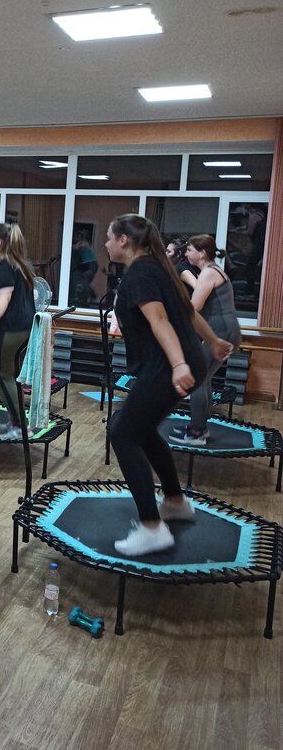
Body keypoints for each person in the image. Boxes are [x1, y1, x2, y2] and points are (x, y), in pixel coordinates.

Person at [105, 214, 234, 557]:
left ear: (123, 241)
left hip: (167, 366)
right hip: (182, 360)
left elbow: (160, 319)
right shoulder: (158, 267)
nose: (106, 244)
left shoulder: (140, 272)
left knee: (122, 434)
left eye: (109, 237)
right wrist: (213, 341)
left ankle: (152, 528)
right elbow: (188, 312)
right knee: (143, 430)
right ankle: (175, 502)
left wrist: (178, 365)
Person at [170, 235, 241, 447]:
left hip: (222, 331)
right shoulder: (212, 271)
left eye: (190, 250)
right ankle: (199, 426)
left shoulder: (209, 272)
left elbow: (195, 307)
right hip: (224, 330)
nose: (187, 254)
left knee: (197, 378)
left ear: (201, 253)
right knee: (205, 378)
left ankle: (197, 433)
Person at [0, 222, 36, 442]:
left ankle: (21, 427)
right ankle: (16, 421)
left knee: (1, 375)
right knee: (12, 376)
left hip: (10, 328)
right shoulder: (20, 265)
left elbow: (4, 298)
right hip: (25, 328)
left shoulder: (3, 266)